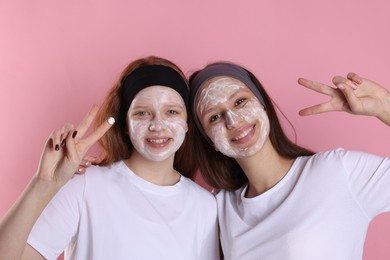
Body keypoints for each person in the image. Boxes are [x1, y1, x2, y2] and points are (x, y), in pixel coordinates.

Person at [0, 56, 219, 260]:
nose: (157, 125)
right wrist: (43, 184)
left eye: (172, 112)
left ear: (188, 123)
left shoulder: (205, 207)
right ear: (125, 124)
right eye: (142, 113)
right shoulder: (86, 185)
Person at [188, 61, 390, 259]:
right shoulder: (220, 207)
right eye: (214, 117)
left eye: (240, 101)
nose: (233, 120)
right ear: (209, 139)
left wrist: (384, 107)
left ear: (262, 103)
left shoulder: (336, 171)